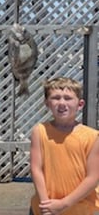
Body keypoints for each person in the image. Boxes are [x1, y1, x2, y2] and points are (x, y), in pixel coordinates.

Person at [29, 77, 99, 215]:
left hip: (81, 210)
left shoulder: (93, 137)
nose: (62, 103)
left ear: (80, 104)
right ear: (47, 103)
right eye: (56, 98)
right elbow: (36, 169)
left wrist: (63, 204)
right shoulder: (40, 131)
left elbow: (93, 178)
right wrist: (46, 205)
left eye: (68, 98)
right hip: (43, 208)